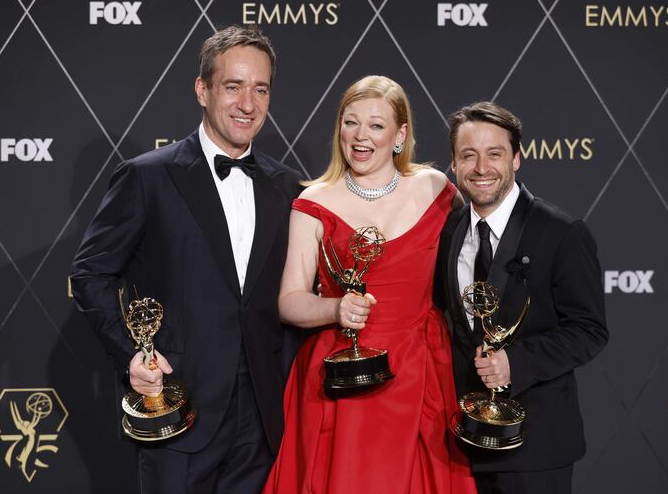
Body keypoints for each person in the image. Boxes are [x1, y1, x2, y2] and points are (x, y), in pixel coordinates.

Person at [70, 25, 301, 494]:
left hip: (263, 417)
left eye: (260, 89)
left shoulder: (287, 187)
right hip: (178, 407)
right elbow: (90, 272)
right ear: (202, 90)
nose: (248, 104)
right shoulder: (146, 178)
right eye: (232, 86)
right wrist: (130, 354)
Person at [262, 75, 477, 494]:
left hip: (423, 370)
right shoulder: (313, 202)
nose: (361, 137)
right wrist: (335, 308)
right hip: (346, 376)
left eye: (376, 126)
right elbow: (289, 300)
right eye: (350, 122)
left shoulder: (438, 190)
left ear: (400, 135)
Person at [434, 101, 609, 494]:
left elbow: (589, 330)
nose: (482, 168)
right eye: (469, 155)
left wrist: (515, 363)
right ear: (454, 164)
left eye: (495, 154)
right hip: (462, 445)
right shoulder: (450, 230)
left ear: (517, 159)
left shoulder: (562, 233)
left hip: (535, 447)